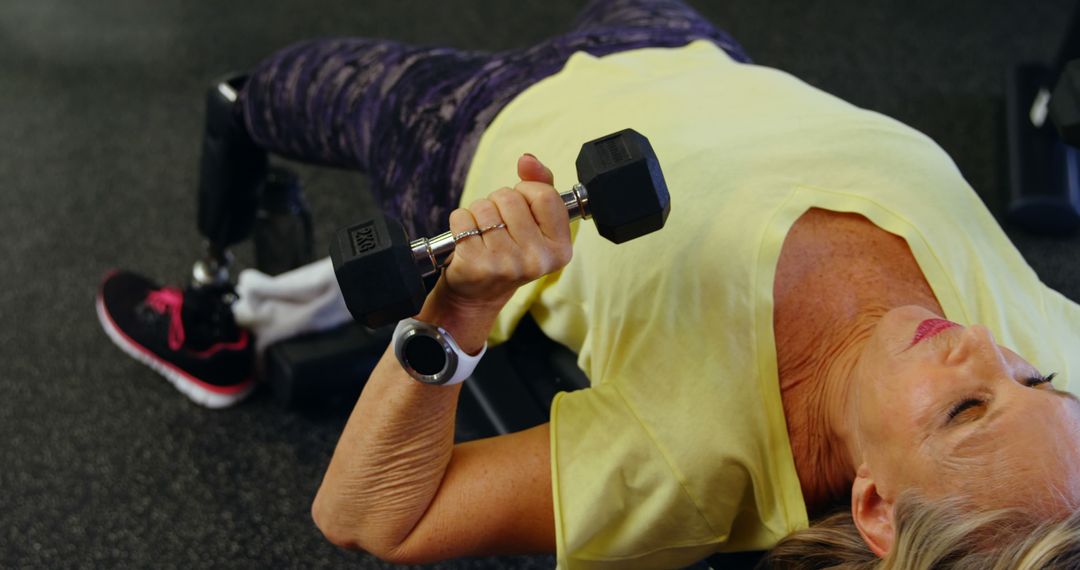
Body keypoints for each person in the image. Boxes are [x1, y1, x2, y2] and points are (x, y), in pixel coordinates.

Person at [96, 0, 1080, 568]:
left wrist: (464, 306)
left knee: (249, 96)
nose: (981, 345)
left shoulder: (694, 456)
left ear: (874, 507)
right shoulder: (1059, 409)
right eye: (1029, 380)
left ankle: (215, 305)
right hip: (684, 44)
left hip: (469, 130)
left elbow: (366, 516)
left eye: (961, 410)